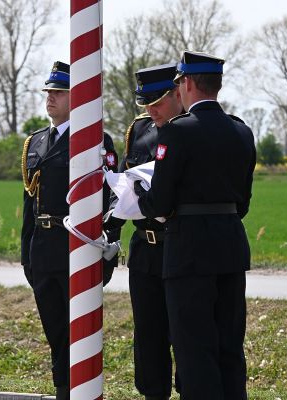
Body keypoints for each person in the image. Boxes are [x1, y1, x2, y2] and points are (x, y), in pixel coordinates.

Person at [135, 51, 256, 399]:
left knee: (194, 350)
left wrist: (138, 201)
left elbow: (159, 202)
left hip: (188, 254)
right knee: (230, 346)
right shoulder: (241, 131)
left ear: (186, 83)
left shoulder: (177, 133)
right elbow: (243, 201)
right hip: (231, 248)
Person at [20, 61, 119, 400]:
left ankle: (74, 393)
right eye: (48, 92)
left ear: (76, 99)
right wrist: (26, 256)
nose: (50, 99)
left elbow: (110, 197)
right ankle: (63, 388)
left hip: (76, 248)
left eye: (59, 93)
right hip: (43, 251)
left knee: (80, 332)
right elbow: (29, 206)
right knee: (55, 330)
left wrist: (107, 252)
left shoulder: (93, 140)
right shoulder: (35, 142)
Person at [106, 63, 184, 400]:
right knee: (148, 335)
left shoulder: (192, 131)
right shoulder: (139, 131)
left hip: (181, 245)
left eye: (159, 101)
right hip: (145, 249)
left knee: (185, 332)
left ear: (179, 92)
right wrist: (109, 234)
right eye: (146, 104)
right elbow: (126, 184)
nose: (152, 110)